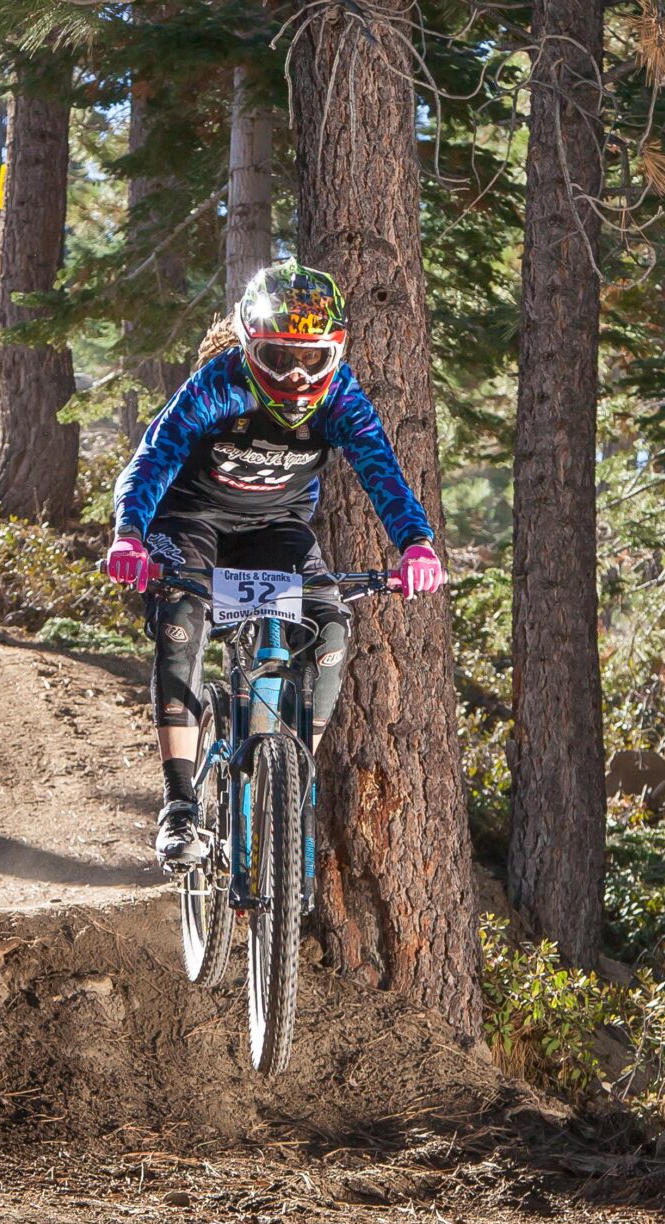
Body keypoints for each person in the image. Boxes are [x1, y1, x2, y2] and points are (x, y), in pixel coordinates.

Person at [105, 261, 446, 868]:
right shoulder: (218, 385)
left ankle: (292, 773)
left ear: (334, 353)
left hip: (275, 529)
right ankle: (180, 805)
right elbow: (152, 459)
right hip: (190, 521)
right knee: (181, 622)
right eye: (277, 355)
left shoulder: (341, 397)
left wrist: (415, 543)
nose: (294, 374)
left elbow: (381, 470)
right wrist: (130, 535)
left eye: (310, 359)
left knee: (331, 628)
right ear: (247, 346)